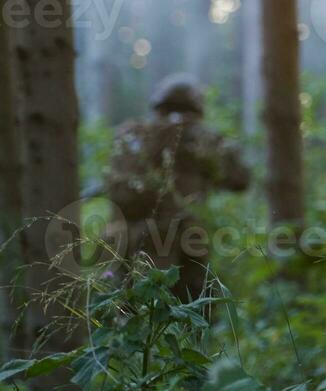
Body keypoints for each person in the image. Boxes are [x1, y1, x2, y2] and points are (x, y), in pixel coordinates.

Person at [103, 74, 251, 302]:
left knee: (130, 314)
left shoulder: (132, 135)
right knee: (195, 314)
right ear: (197, 105)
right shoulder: (203, 137)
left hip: (130, 240)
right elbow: (241, 179)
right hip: (185, 242)